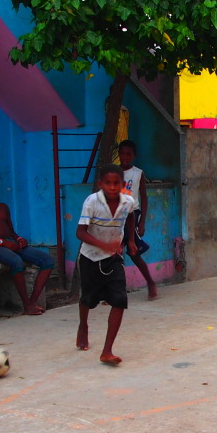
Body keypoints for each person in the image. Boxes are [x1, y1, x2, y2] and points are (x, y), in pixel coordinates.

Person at [75, 164, 138, 366]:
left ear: (122, 184)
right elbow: (81, 232)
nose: (112, 187)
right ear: (100, 184)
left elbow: (130, 217)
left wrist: (129, 241)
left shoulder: (128, 201)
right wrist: (104, 245)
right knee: (88, 299)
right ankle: (83, 325)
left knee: (119, 300)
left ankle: (107, 350)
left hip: (113, 258)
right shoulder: (91, 202)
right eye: (108, 183)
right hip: (90, 257)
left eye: (116, 183)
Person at [0, 172, 54, 316]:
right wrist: (1, 243)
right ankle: (26, 305)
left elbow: (11, 231)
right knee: (16, 261)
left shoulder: (3, 207)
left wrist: (19, 239)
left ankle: (33, 300)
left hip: (10, 243)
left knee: (47, 260)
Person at [117, 139, 159, 299]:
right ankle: (116, 291)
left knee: (134, 253)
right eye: (122, 153)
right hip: (116, 216)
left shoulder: (137, 173)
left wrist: (142, 221)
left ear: (134, 156)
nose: (124, 157)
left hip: (132, 214)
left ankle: (150, 282)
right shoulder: (114, 171)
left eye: (128, 154)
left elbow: (144, 197)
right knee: (115, 253)